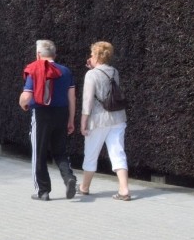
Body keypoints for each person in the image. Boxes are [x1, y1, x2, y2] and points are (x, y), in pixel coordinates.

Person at [19, 39, 77, 201]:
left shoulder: (35, 69)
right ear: (54, 54)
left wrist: (22, 102)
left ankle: (42, 191)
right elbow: (72, 98)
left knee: (39, 152)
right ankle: (69, 178)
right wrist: (71, 119)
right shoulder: (66, 71)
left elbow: (27, 96)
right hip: (62, 113)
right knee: (60, 151)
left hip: (41, 114)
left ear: (38, 54)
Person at [80, 41, 131, 200]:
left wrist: (83, 123)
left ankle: (84, 187)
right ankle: (124, 189)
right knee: (118, 153)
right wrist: (94, 68)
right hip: (117, 118)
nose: (90, 57)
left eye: (92, 54)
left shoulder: (91, 75)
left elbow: (87, 101)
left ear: (95, 56)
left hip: (98, 120)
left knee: (91, 153)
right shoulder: (114, 71)